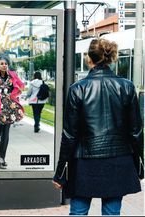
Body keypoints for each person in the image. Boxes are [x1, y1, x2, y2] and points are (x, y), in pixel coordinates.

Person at [52, 38, 144, 215]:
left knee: (78, 211)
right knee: (112, 213)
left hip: (84, 161)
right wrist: (139, 163)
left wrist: (60, 171)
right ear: (111, 57)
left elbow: (70, 135)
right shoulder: (127, 86)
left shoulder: (78, 88)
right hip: (118, 158)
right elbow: (136, 131)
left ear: (89, 59)